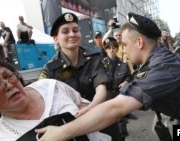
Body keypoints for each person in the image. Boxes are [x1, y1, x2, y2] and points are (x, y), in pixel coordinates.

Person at [34, 12, 180, 141]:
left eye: (125, 45)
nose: (123, 50)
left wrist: (62, 133)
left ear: (139, 42)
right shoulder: (158, 59)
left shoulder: (163, 67)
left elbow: (116, 108)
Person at [0, 57, 111, 141]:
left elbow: (94, 111)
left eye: (8, 75)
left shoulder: (51, 87)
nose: (8, 85)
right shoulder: (3, 138)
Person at [39, 12, 121, 141]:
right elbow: (46, 103)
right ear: (55, 38)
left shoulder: (95, 56)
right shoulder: (50, 70)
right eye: (65, 31)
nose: (72, 34)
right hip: (75, 129)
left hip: (102, 119)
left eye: (75, 30)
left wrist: (91, 107)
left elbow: (101, 88)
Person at [102, 37, 131, 141]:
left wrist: (126, 82)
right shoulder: (101, 64)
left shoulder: (123, 64)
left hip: (119, 94)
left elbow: (129, 76)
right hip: (106, 94)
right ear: (105, 50)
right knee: (108, 120)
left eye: (114, 47)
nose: (111, 50)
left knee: (121, 119)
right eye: (108, 48)